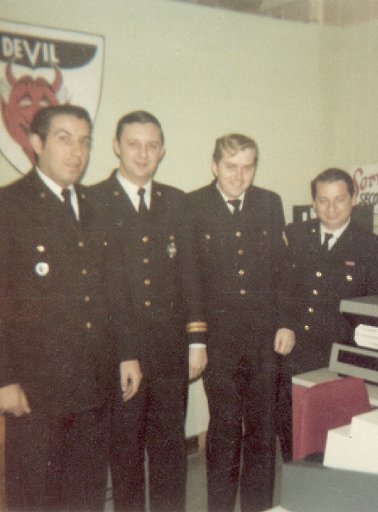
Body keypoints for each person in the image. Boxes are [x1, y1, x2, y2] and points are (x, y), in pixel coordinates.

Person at [0, 104, 142, 511]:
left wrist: (127, 353)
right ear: (36, 142)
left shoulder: (96, 206)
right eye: (64, 139)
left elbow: (115, 288)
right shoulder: (10, 205)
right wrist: (4, 378)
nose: (76, 152)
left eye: (84, 142)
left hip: (93, 384)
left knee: (88, 496)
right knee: (35, 498)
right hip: (36, 389)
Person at [89, 111, 207, 512]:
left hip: (170, 353)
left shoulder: (177, 201)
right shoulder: (92, 201)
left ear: (162, 151)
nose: (143, 154)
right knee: (125, 456)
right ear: (116, 146)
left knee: (170, 453)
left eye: (152, 146)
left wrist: (196, 342)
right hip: (118, 354)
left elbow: (190, 274)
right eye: (134, 144)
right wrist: (123, 352)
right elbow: (97, 289)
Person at [186, 134, 295, 512]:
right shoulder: (193, 206)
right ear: (214, 166)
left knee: (263, 431)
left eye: (247, 167)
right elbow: (190, 279)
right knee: (225, 428)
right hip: (220, 342)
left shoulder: (269, 203)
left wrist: (285, 323)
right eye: (231, 167)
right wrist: (197, 340)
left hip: (264, 339)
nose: (239, 176)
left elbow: (281, 270)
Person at [276, 167, 378, 458]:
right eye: (323, 200)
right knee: (291, 430)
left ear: (353, 199)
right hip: (295, 351)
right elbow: (281, 287)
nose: (331, 209)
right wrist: (284, 324)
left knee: (333, 437)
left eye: (339, 199)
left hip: (340, 357)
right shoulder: (294, 235)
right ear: (314, 202)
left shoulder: (372, 247)